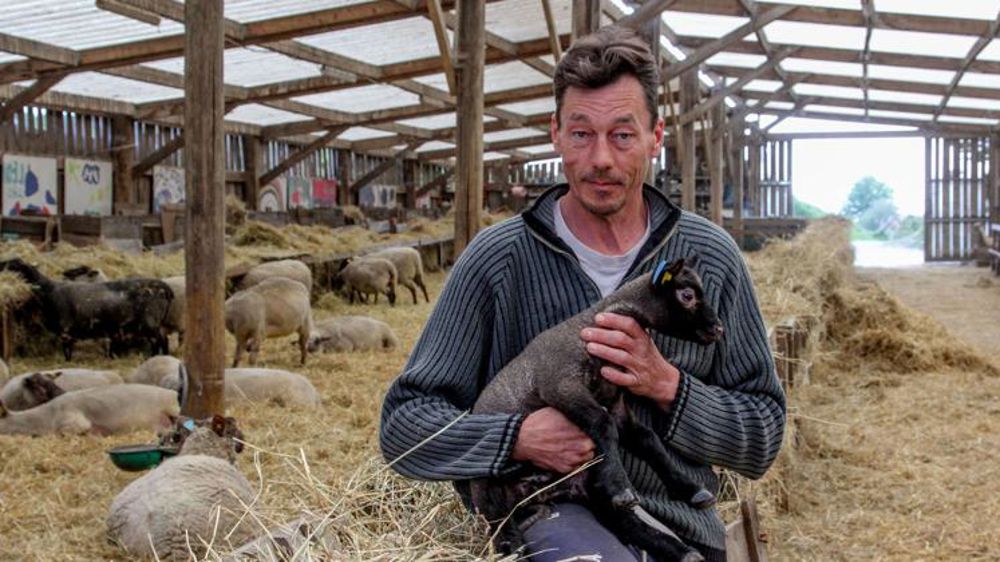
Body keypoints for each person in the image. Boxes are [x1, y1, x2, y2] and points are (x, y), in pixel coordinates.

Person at [380, 25, 785, 562]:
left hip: (679, 531)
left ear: (655, 136)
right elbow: (405, 425)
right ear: (555, 134)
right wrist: (515, 437)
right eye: (580, 134)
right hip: (543, 517)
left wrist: (667, 385)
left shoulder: (708, 258)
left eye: (622, 135)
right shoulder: (498, 259)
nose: (600, 159)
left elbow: (762, 435)